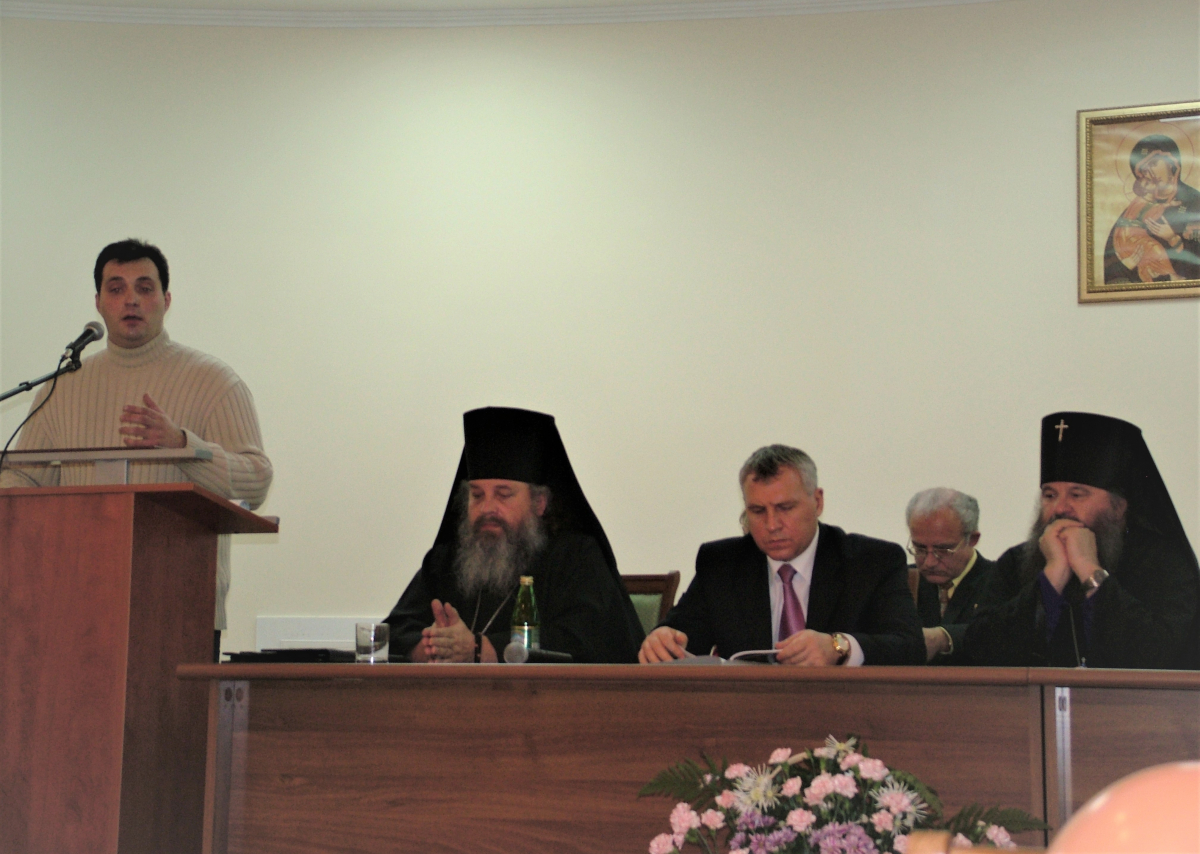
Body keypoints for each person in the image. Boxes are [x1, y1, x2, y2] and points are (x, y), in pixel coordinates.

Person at [0, 239, 273, 656]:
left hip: (181, 607)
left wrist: (182, 445)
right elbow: (21, 481)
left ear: (166, 300)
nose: (131, 299)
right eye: (116, 288)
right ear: (98, 303)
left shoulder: (214, 381)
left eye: (144, 288)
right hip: (72, 601)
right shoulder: (61, 388)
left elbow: (257, 479)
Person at [384, 406, 644, 664]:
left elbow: (587, 641)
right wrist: (430, 647)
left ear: (539, 503)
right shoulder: (445, 561)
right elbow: (394, 629)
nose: (487, 508)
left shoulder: (576, 558)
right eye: (477, 495)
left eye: (503, 495)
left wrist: (483, 649)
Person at [639, 444, 924, 666]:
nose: (772, 525)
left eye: (785, 508)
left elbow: (909, 647)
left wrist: (839, 647)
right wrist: (662, 639)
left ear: (817, 501)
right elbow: (683, 635)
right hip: (747, 713)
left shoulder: (871, 562)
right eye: (758, 511)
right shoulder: (721, 564)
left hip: (841, 713)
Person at [965, 412, 1200, 669]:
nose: (1059, 508)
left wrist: (1090, 571)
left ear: (1118, 508)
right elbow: (980, 651)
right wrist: (1051, 579)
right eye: (1050, 495)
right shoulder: (1015, 563)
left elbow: (1160, 654)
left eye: (1077, 495)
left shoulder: (1165, 564)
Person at [905, 487, 996, 664]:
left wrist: (943, 638)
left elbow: (1002, 635)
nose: (929, 562)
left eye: (943, 550)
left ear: (973, 539)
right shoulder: (903, 581)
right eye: (920, 548)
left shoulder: (1000, 580)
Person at [1104, 134, 1200, 284]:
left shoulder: (1195, 203)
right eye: (1144, 169)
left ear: (1172, 162)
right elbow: (1109, 271)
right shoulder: (1133, 213)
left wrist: (1173, 239)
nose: (1151, 173)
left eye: (1154, 163)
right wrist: (1127, 264)